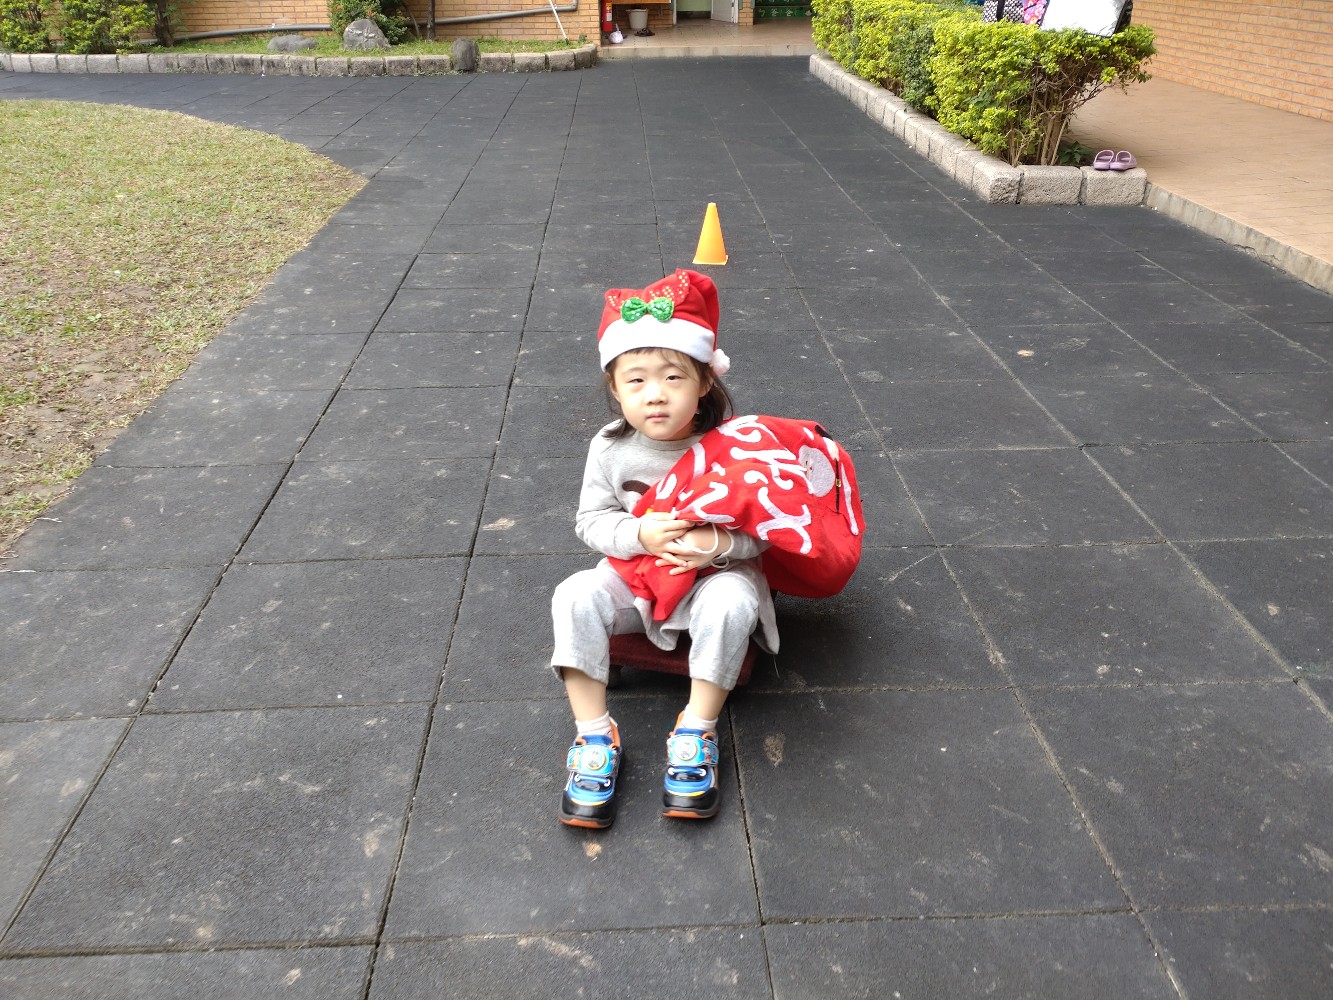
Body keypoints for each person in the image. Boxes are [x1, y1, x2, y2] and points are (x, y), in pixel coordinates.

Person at [550, 268, 779, 830]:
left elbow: (770, 528)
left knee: (731, 601)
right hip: (638, 577)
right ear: (615, 389)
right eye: (636, 380)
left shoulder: (735, 447)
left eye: (673, 376)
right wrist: (638, 535)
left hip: (710, 579)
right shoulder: (609, 448)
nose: (655, 393)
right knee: (574, 594)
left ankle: (697, 730)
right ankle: (594, 735)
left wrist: (717, 542)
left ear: (704, 381)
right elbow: (591, 520)